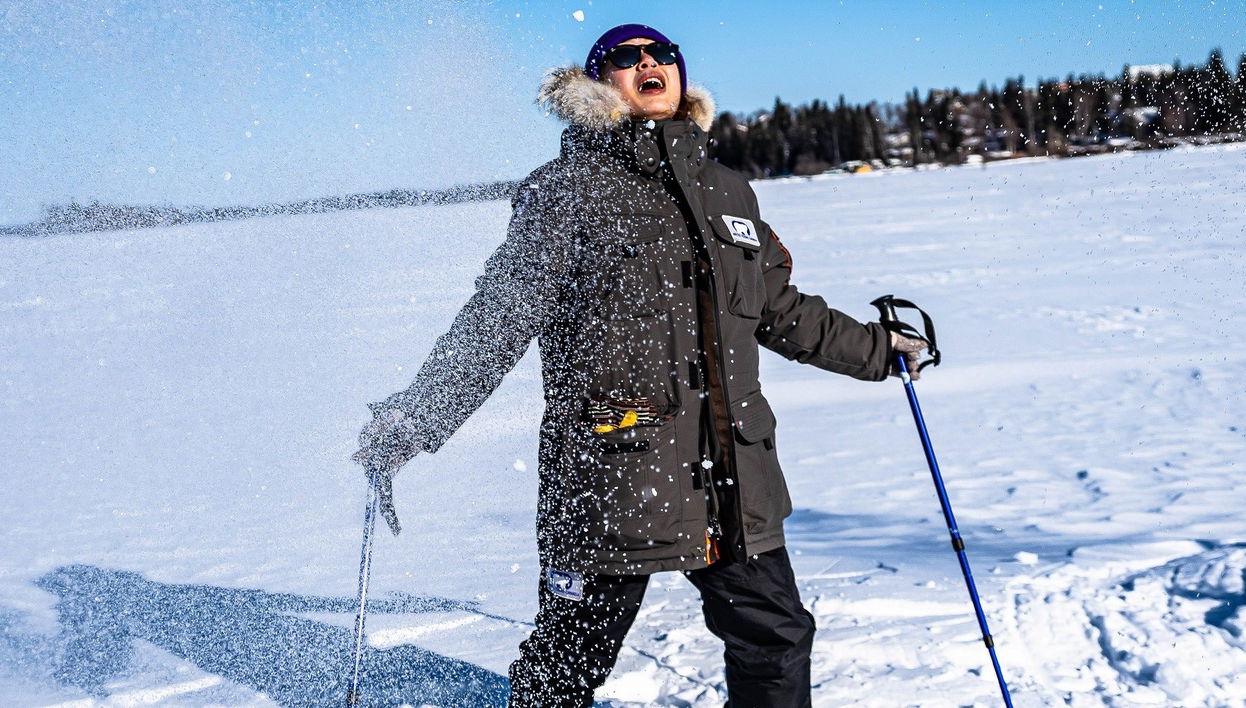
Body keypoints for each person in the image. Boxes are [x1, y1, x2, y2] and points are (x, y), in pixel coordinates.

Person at [354, 24, 928, 708]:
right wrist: (416, 416)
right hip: (611, 479)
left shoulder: (729, 192)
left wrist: (878, 350)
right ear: (599, 85)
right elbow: (498, 318)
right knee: (570, 655)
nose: (649, 64)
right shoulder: (566, 191)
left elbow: (779, 308)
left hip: (733, 480)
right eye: (626, 59)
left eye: (662, 56)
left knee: (775, 637)